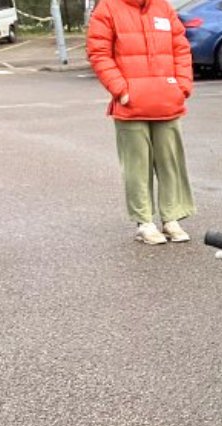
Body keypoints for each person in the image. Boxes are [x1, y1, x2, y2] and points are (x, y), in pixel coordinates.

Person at [87, 0, 196, 245]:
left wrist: (182, 87)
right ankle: (145, 222)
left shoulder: (163, 7)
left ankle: (172, 218)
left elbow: (181, 48)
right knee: (137, 167)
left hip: (167, 102)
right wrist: (121, 90)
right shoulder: (108, 9)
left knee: (171, 163)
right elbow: (99, 54)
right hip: (130, 106)